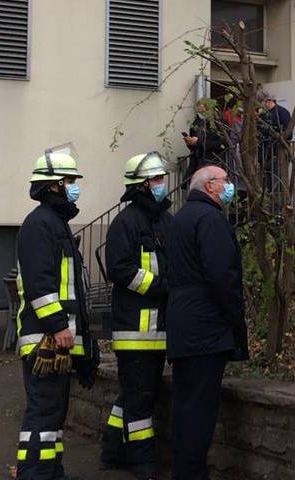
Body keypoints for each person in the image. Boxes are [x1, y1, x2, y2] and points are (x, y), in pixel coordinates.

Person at [14, 147, 96, 480]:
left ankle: (49, 471)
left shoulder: (55, 224)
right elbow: (40, 282)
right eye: (70, 180)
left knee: (53, 413)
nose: (75, 186)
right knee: (44, 411)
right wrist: (58, 325)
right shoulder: (40, 225)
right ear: (52, 186)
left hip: (57, 339)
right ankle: (35, 472)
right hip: (45, 338)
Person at [165, 165, 249, 480]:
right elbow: (222, 276)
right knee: (200, 410)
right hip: (206, 326)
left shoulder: (181, 219)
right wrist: (235, 320)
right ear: (210, 186)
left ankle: (184, 470)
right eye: (226, 181)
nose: (230, 186)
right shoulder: (211, 220)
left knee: (186, 406)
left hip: (183, 324)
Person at [99, 152, 174, 480]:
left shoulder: (163, 221)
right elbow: (120, 270)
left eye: (161, 178)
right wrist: (161, 286)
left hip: (158, 331)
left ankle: (112, 450)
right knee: (141, 399)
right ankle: (142, 460)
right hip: (134, 332)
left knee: (134, 394)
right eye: (156, 179)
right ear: (142, 184)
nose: (162, 184)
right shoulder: (125, 223)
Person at [183, 99, 229, 184]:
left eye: (202, 111)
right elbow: (194, 147)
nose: (200, 114)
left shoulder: (217, 124)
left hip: (213, 161)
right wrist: (190, 143)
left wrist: (198, 142)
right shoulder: (196, 124)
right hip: (198, 162)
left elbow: (222, 144)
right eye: (199, 111)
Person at [257, 91, 292, 192]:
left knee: (277, 184)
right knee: (267, 185)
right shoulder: (263, 115)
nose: (260, 105)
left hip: (278, 154)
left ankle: (279, 206)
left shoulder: (282, 113)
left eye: (261, 102)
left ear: (268, 101)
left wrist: (275, 134)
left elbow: (288, 134)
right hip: (265, 155)